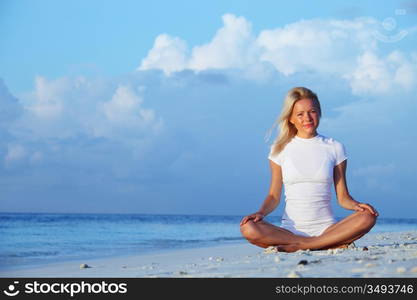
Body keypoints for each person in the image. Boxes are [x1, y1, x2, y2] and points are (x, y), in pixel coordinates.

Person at [240, 87, 378, 252]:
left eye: (312, 111)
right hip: (289, 232)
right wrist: (261, 212)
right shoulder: (279, 149)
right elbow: (273, 196)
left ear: (319, 113)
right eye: (300, 114)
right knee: (248, 227)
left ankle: (304, 245)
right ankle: (318, 244)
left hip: (328, 230)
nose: (307, 118)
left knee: (368, 216)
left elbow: (343, 197)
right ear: (291, 118)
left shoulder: (335, 147)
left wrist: (358, 205)